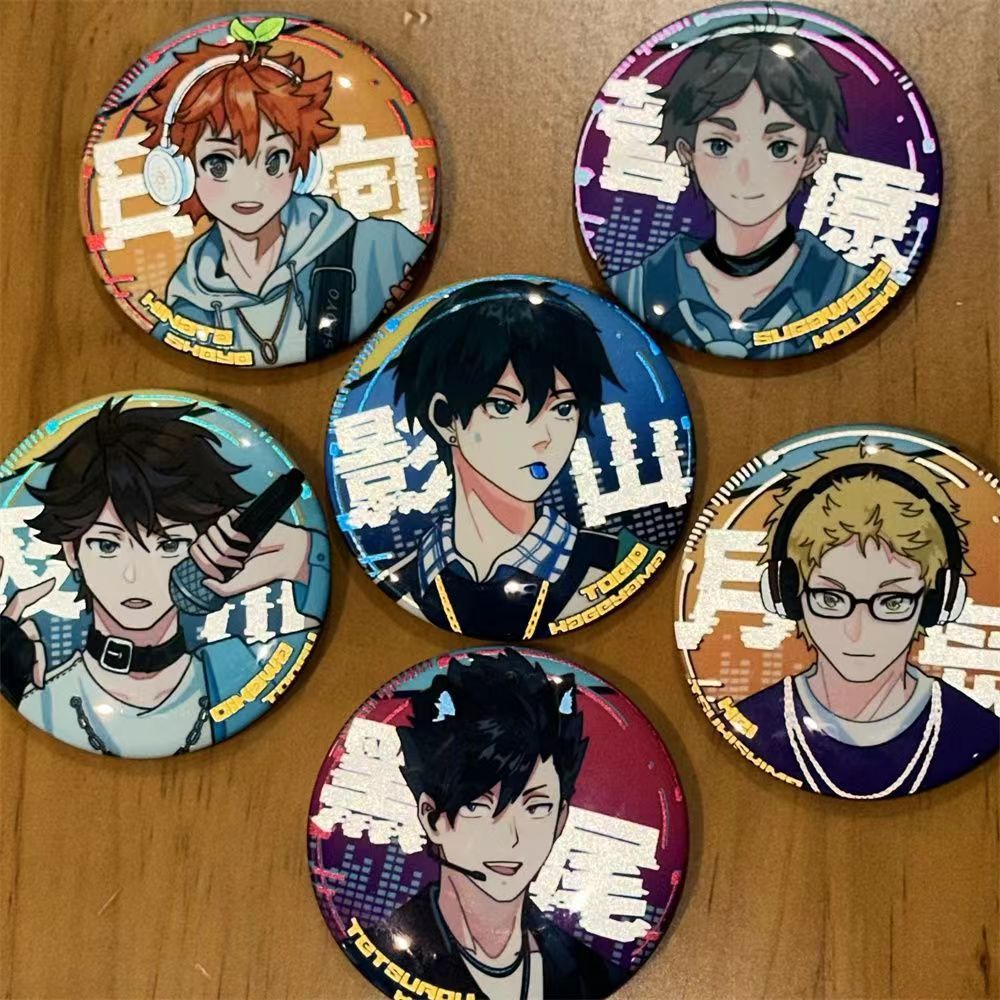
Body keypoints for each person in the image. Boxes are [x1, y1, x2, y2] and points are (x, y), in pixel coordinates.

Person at [0, 398, 328, 756]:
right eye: (107, 545)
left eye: (169, 544)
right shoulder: (42, 699)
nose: (134, 575)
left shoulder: (243, 669)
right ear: (71, 551)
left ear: (208, 544)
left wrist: (304, 551)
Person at [379, 279, 663, 640]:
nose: (543, 438)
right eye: (503, 406)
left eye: (562, 408)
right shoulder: (403, 581)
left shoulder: (620, 564)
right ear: (445, 418)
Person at [136, 32, 426, 365]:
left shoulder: (378, 248)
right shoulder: (186, 303)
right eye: (219, 164)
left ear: (303, 167)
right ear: (180, 173)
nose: (250, 186)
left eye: (273, 160)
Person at [738, 444, 999, 797]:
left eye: (892, 601)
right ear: (786, 595)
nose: (857, 632)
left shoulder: (973, 729)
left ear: (938, 602)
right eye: (831, 598)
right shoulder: (755, 719)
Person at [367, 647, 625, 999]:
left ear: (560, 819)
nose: (510, 838)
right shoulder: (385, 952)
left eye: (537, 807)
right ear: (431, 817)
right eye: (476, 805)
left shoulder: (590, 973)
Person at [609, 32, 869, 358]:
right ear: (687, 152)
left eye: (779, 147)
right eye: (720, 145)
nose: (746, 174)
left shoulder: (845, 287)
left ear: (813, 158)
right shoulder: (643, 285)